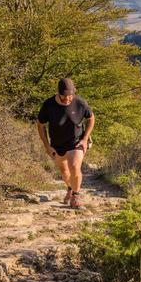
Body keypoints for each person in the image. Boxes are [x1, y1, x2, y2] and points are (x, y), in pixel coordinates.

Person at [36, 78, 95, 208]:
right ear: (58, 93)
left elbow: (91, 118)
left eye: (70, 95)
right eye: (65, 96)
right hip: (57, 144)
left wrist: (85, 139)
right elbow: (41, 125)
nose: (68, 99)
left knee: (74, 167)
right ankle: (70, 188)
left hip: (76, 142)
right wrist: (47, 145)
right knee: (64, 170)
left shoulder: (80, 102)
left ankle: (76, 196)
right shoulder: (49, 105)